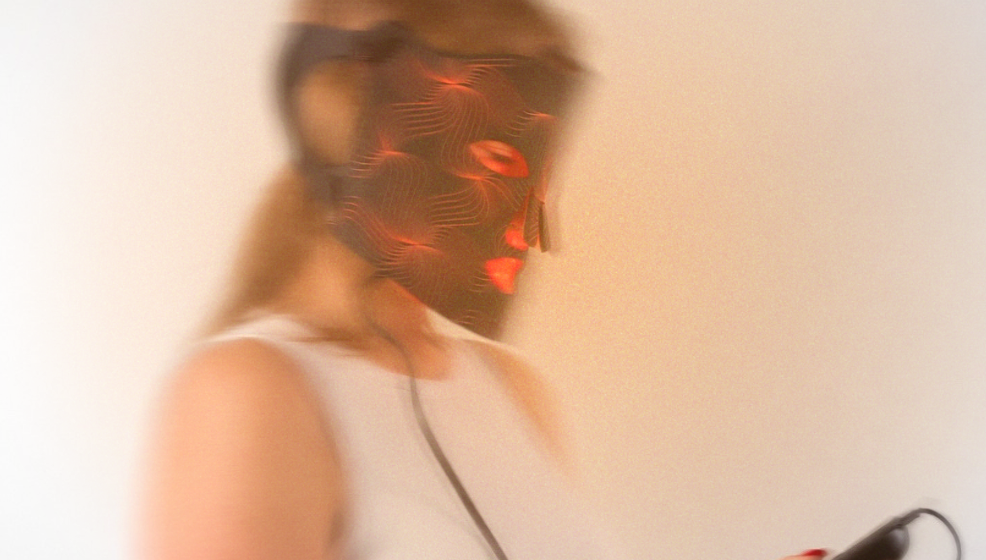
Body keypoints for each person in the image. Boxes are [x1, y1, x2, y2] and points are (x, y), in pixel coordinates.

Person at [142, 1, 829, 559]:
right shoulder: (247, 391)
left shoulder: (512, 390)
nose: (536, 219)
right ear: (364, 137)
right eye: (502, 159)